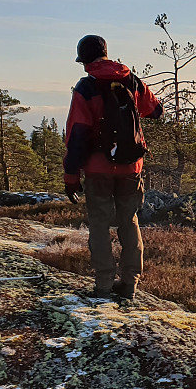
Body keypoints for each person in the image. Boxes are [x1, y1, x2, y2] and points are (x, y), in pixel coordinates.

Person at [63, 35, 162, 300]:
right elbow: (156, 111)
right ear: (106, 53)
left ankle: (104, 286)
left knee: (99, 224)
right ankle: (129, 284)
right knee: (129, 222)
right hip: (131, 167)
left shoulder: (86, 87)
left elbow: (77, 135)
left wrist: (71, 175)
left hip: (98, 169)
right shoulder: (130, 79)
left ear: (84, 60)